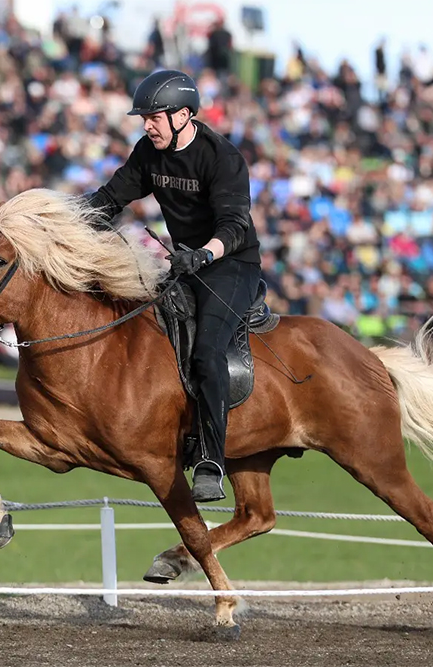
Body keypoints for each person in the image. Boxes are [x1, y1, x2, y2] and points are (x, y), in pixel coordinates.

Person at [83, 69, 262, 502]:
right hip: (183, 263)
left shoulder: (221, 156)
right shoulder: (149, 151)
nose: (147, 124)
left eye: (155, 116)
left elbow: (235, 226)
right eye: (144, 117)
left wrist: (203, 254)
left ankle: (211, 461)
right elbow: (109, 200)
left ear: (183, 115)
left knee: (207, 351)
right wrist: (61, 222)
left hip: (229, 264)